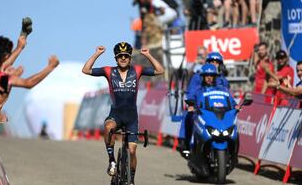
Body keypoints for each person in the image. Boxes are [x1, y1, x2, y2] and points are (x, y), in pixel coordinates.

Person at [82, 42, 164, 185]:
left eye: (126, 56)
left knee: (132, 151)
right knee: (108, 127)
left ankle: (131, 180)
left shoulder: (137, 70)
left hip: (132, 117)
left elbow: (160, 71)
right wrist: (97, 54)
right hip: (116, 114)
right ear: (116, 58)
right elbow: (86, 70)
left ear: (130, 57)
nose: (123, 58)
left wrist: (148, 55)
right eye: (120, 56)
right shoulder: (108, 71)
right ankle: (112, 161)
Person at [181, 63, 236, 157]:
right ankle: (188, 146)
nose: (209, 77)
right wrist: (191, 105)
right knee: (188, 118)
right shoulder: (197, 89)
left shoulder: (222, 89)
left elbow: (230, 100)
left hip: (218, 116)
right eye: (207, 75)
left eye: (212, 75)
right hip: (201, 116)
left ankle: (233, 152)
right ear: (203, 77)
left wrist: (236, 106)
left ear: (215, 77)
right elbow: (190, 98)